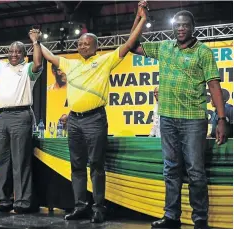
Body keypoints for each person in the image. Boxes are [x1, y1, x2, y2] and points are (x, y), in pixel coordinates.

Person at [38, 2, 148, 222]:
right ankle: (80, 206)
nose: (82, 46)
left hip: (95, 119)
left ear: (95, 47)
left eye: (86, 44)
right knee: (77, 166)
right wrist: (37, 41)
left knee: (96, 165)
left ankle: (98, 208)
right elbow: (49, 56)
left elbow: (128, 43)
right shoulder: (71, 65)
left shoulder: (104, 61)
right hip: (75, 122)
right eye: (79, 44)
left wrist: (141, 19)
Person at [131, 10, 226, 229]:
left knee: (194, 170)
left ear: (193, 27)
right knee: (171, 169)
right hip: (168, 119)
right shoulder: (164, 47)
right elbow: (133, 45)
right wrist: (140, 18)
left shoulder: (203, 52)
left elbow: (214, 85)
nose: (180, 28)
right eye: (177, 25)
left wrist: (221, 119)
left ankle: (200, 218)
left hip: (193, 119)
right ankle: (171, 216)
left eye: (185, 25)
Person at [0, 30, 43, 214]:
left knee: (20, 161)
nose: (14, 54)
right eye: (11, 51)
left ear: (24, 54)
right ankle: (4, 200)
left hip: (21, 116)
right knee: (2, 161)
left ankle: (23, 202)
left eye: (18, 52)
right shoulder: (0, 66)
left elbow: (38, 62)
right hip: (2, 117)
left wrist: (36, 42)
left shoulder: (28, 68)